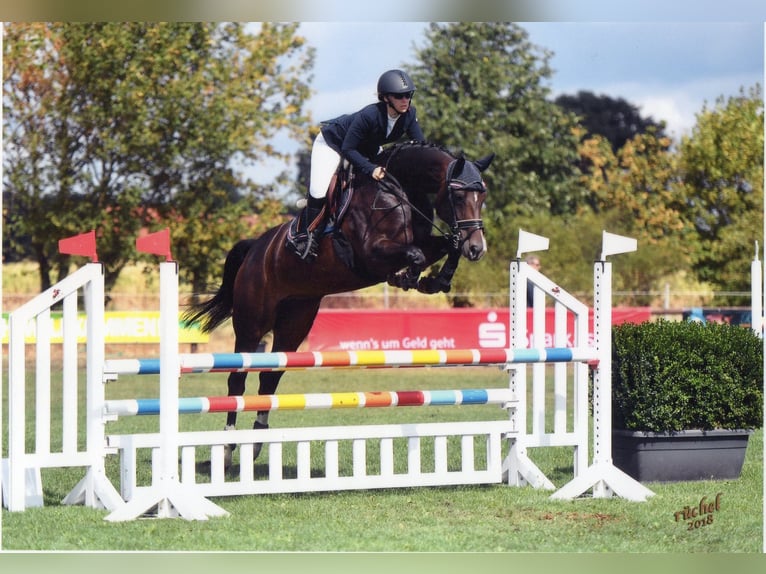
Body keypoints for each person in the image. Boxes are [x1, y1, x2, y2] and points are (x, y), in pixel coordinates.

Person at [287, 69, 425, 260]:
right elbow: (348, 148)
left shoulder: (409, 115)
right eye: (399, 96)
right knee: (319, 190)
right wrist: (370, 169)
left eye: (408, 95)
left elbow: (422, 147)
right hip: (333, 143)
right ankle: (304, 236)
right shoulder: (369, 115)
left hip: (367, 146)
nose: (405, 100)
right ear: (385, 98)